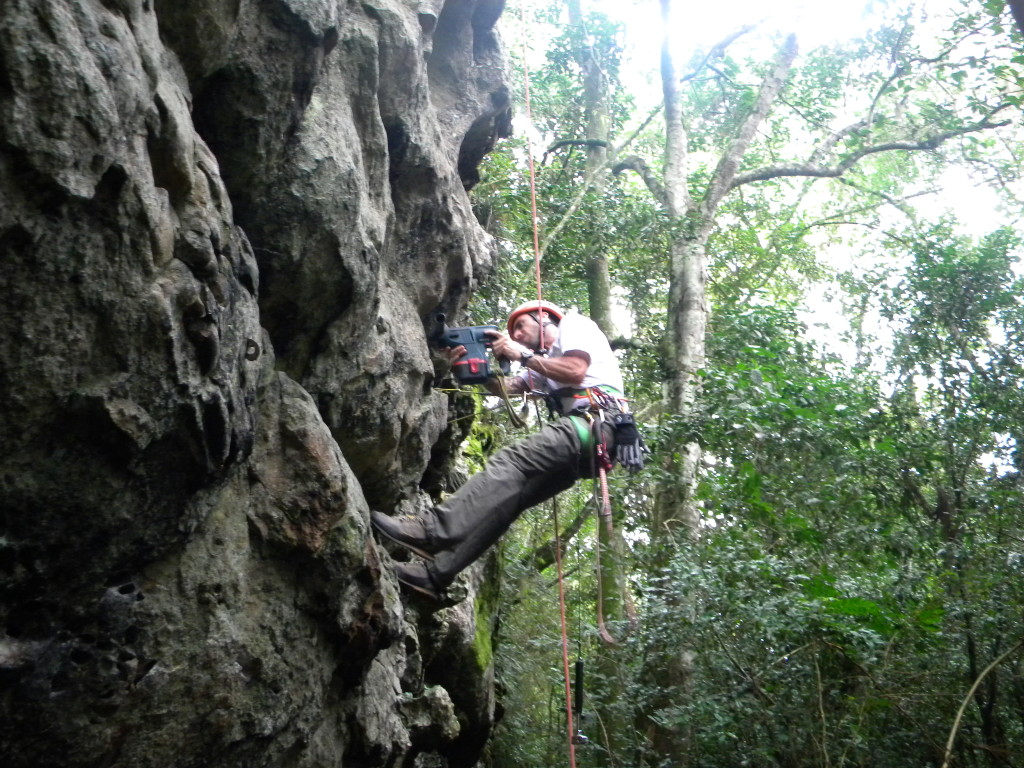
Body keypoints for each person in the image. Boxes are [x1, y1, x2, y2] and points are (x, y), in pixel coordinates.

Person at [371, 300, 628, 600]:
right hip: (592, 445)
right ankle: (435, 576)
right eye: (513, 332)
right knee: (509, 501)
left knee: (514, 461)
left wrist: (524, 355)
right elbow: (510, 387)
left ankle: (431, 530)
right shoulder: (546, 363)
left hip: (596, 422)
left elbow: (574, 371)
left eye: (520, 326)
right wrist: (472, 368)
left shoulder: (574, 325)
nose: (516, 335)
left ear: (544, 317)